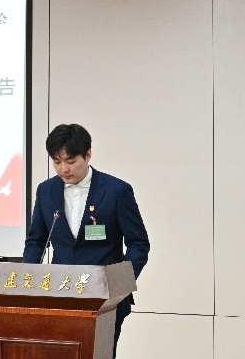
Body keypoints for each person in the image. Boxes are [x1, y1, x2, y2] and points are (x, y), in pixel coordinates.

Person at [23, 124, 150, 358]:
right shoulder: (46, 191)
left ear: (88, 154)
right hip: (59, 294)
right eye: (56, 162)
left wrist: (120, 284)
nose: (63, 169)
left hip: (105, 299)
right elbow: (36, 240)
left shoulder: (116, 190)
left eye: (70, 161)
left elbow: (138, 243)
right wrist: (26, 280)